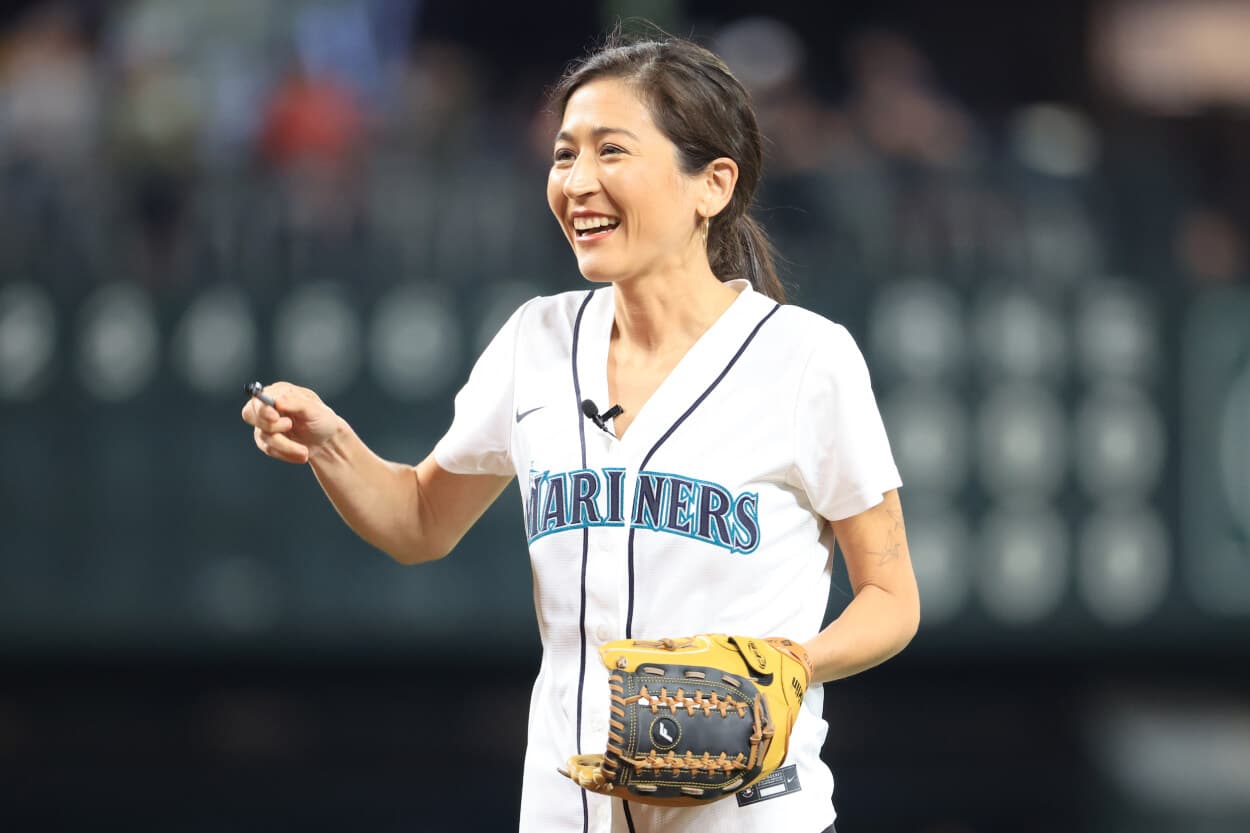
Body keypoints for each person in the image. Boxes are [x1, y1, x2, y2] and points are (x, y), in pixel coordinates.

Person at [241, 31, 919, 833]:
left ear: (713, 184)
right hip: (567, 812)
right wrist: (331, 444)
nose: (578, 182)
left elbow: (892, 596)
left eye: (612, 152)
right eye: (565, 156)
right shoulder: (537, 340)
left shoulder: (805, 357)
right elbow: (419, 521)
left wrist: (794, 662)